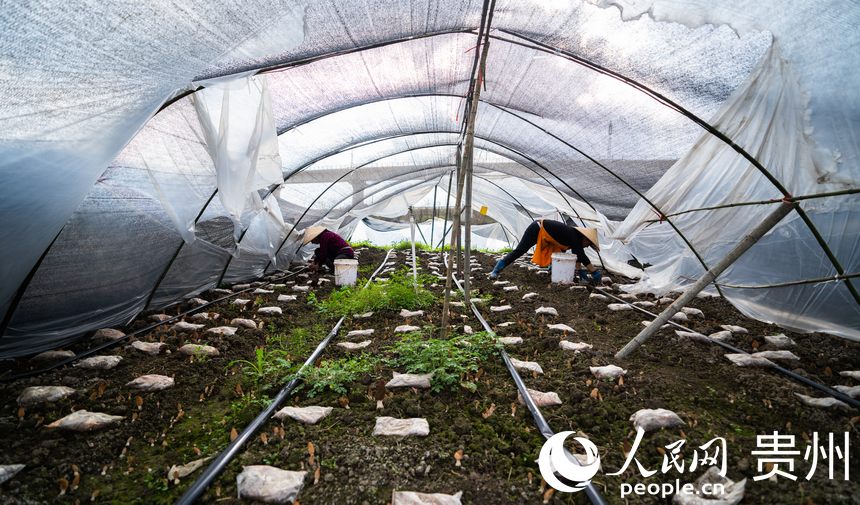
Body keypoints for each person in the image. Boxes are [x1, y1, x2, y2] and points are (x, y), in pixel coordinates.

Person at [488, 220, 602, 284]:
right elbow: (580, 254)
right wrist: (593, 271)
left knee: (559, 253)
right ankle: (497, 269)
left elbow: (577, 255)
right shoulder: (575, 236)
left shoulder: (574, 237)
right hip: (537, 229)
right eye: (588, 244)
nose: (587, 247)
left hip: (546, 234)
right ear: (585, 239)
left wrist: (580, 270)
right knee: (520, 250)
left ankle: (552, 269)